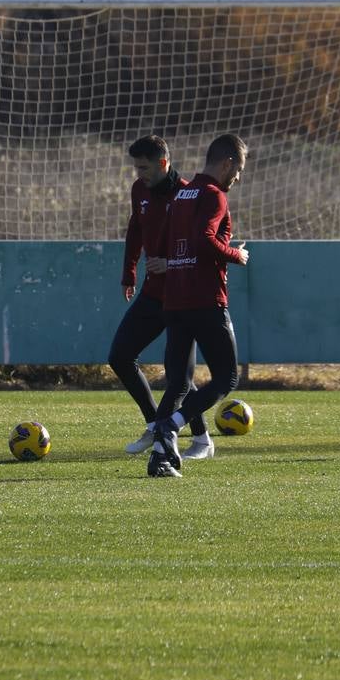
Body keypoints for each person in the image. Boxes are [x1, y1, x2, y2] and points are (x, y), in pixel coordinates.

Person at [146, 134, 250, 478]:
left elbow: (161, 243)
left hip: (175, 300)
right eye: (239, 169)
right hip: (205, 299)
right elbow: (205, 240)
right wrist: (237, 255)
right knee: (227, 376)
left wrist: (170, 264)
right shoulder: (213, 195)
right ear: (227, 163)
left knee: (177, 382)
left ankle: (159, 459)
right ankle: (172, 426)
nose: (238, 178)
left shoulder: (181, 194)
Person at [107, 136, 209, 458]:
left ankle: (202, 439)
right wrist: (129, 273)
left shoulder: (190, 194)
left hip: (183, 295)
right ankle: (156, 425)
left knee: (177, 373)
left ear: (164, 163)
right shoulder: (140, 190)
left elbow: (201, 246)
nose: (139, 174)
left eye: (145, 167)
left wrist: (170, 263)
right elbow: (135, 229)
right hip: (153, 293)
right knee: (120, 356)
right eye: (136, 167)